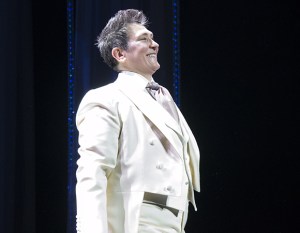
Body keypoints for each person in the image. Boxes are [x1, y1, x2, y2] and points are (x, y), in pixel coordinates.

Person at [75, 9, 200, 233]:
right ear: (120, 54)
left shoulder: (164, 97)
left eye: (152, 38)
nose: (155, 44)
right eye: (144, 39)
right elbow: (92, 174)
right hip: (134, 225)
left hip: (174, 224)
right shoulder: (106, 99)